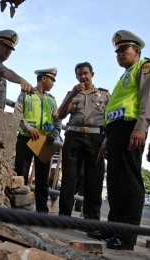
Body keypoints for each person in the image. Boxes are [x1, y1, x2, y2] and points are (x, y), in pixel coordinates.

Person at [97, 30, 150, 250]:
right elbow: (114, 108)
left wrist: (141, 126)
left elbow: (148, 99)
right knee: (115, 183)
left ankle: (126, 237)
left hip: (131, 129)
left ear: (137, 51)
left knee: (129, 182)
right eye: (117, 51)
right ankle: (113, 230)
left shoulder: (145, 67)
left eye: (124, 49)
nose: (119, 54)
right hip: (116, 132)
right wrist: (106, 141)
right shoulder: (125, 75)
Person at [58, 62, 110, 221]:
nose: (83, 76)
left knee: (94, 179)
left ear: (92, 74)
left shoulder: (105, 95)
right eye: (79, 74)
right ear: (76, 77)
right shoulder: (72, 94)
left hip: (96, 139)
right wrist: (72, 94)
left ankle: (91, 221)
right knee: (69, 178)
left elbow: (111, 119)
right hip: (73, 137)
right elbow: (59, 115)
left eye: (85, 73)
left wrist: (107, 140)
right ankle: (63, 218)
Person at [14, 68, 62, 212]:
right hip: (25, 140)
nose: (53, 83)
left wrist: (53, 135)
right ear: (44, 79)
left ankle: (41, 212)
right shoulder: (26, 94)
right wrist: (29, 128)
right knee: (21, 174)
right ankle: (17, 208)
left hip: (44, 143)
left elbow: (58, 120)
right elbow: (17, 115)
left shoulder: (52, 100)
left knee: (42, 178)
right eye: (52, 80)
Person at [0, 29, 33, 109]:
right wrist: (21, 80)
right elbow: (4, 71)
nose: (9, 51)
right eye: (6, 46)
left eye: (11, 49)